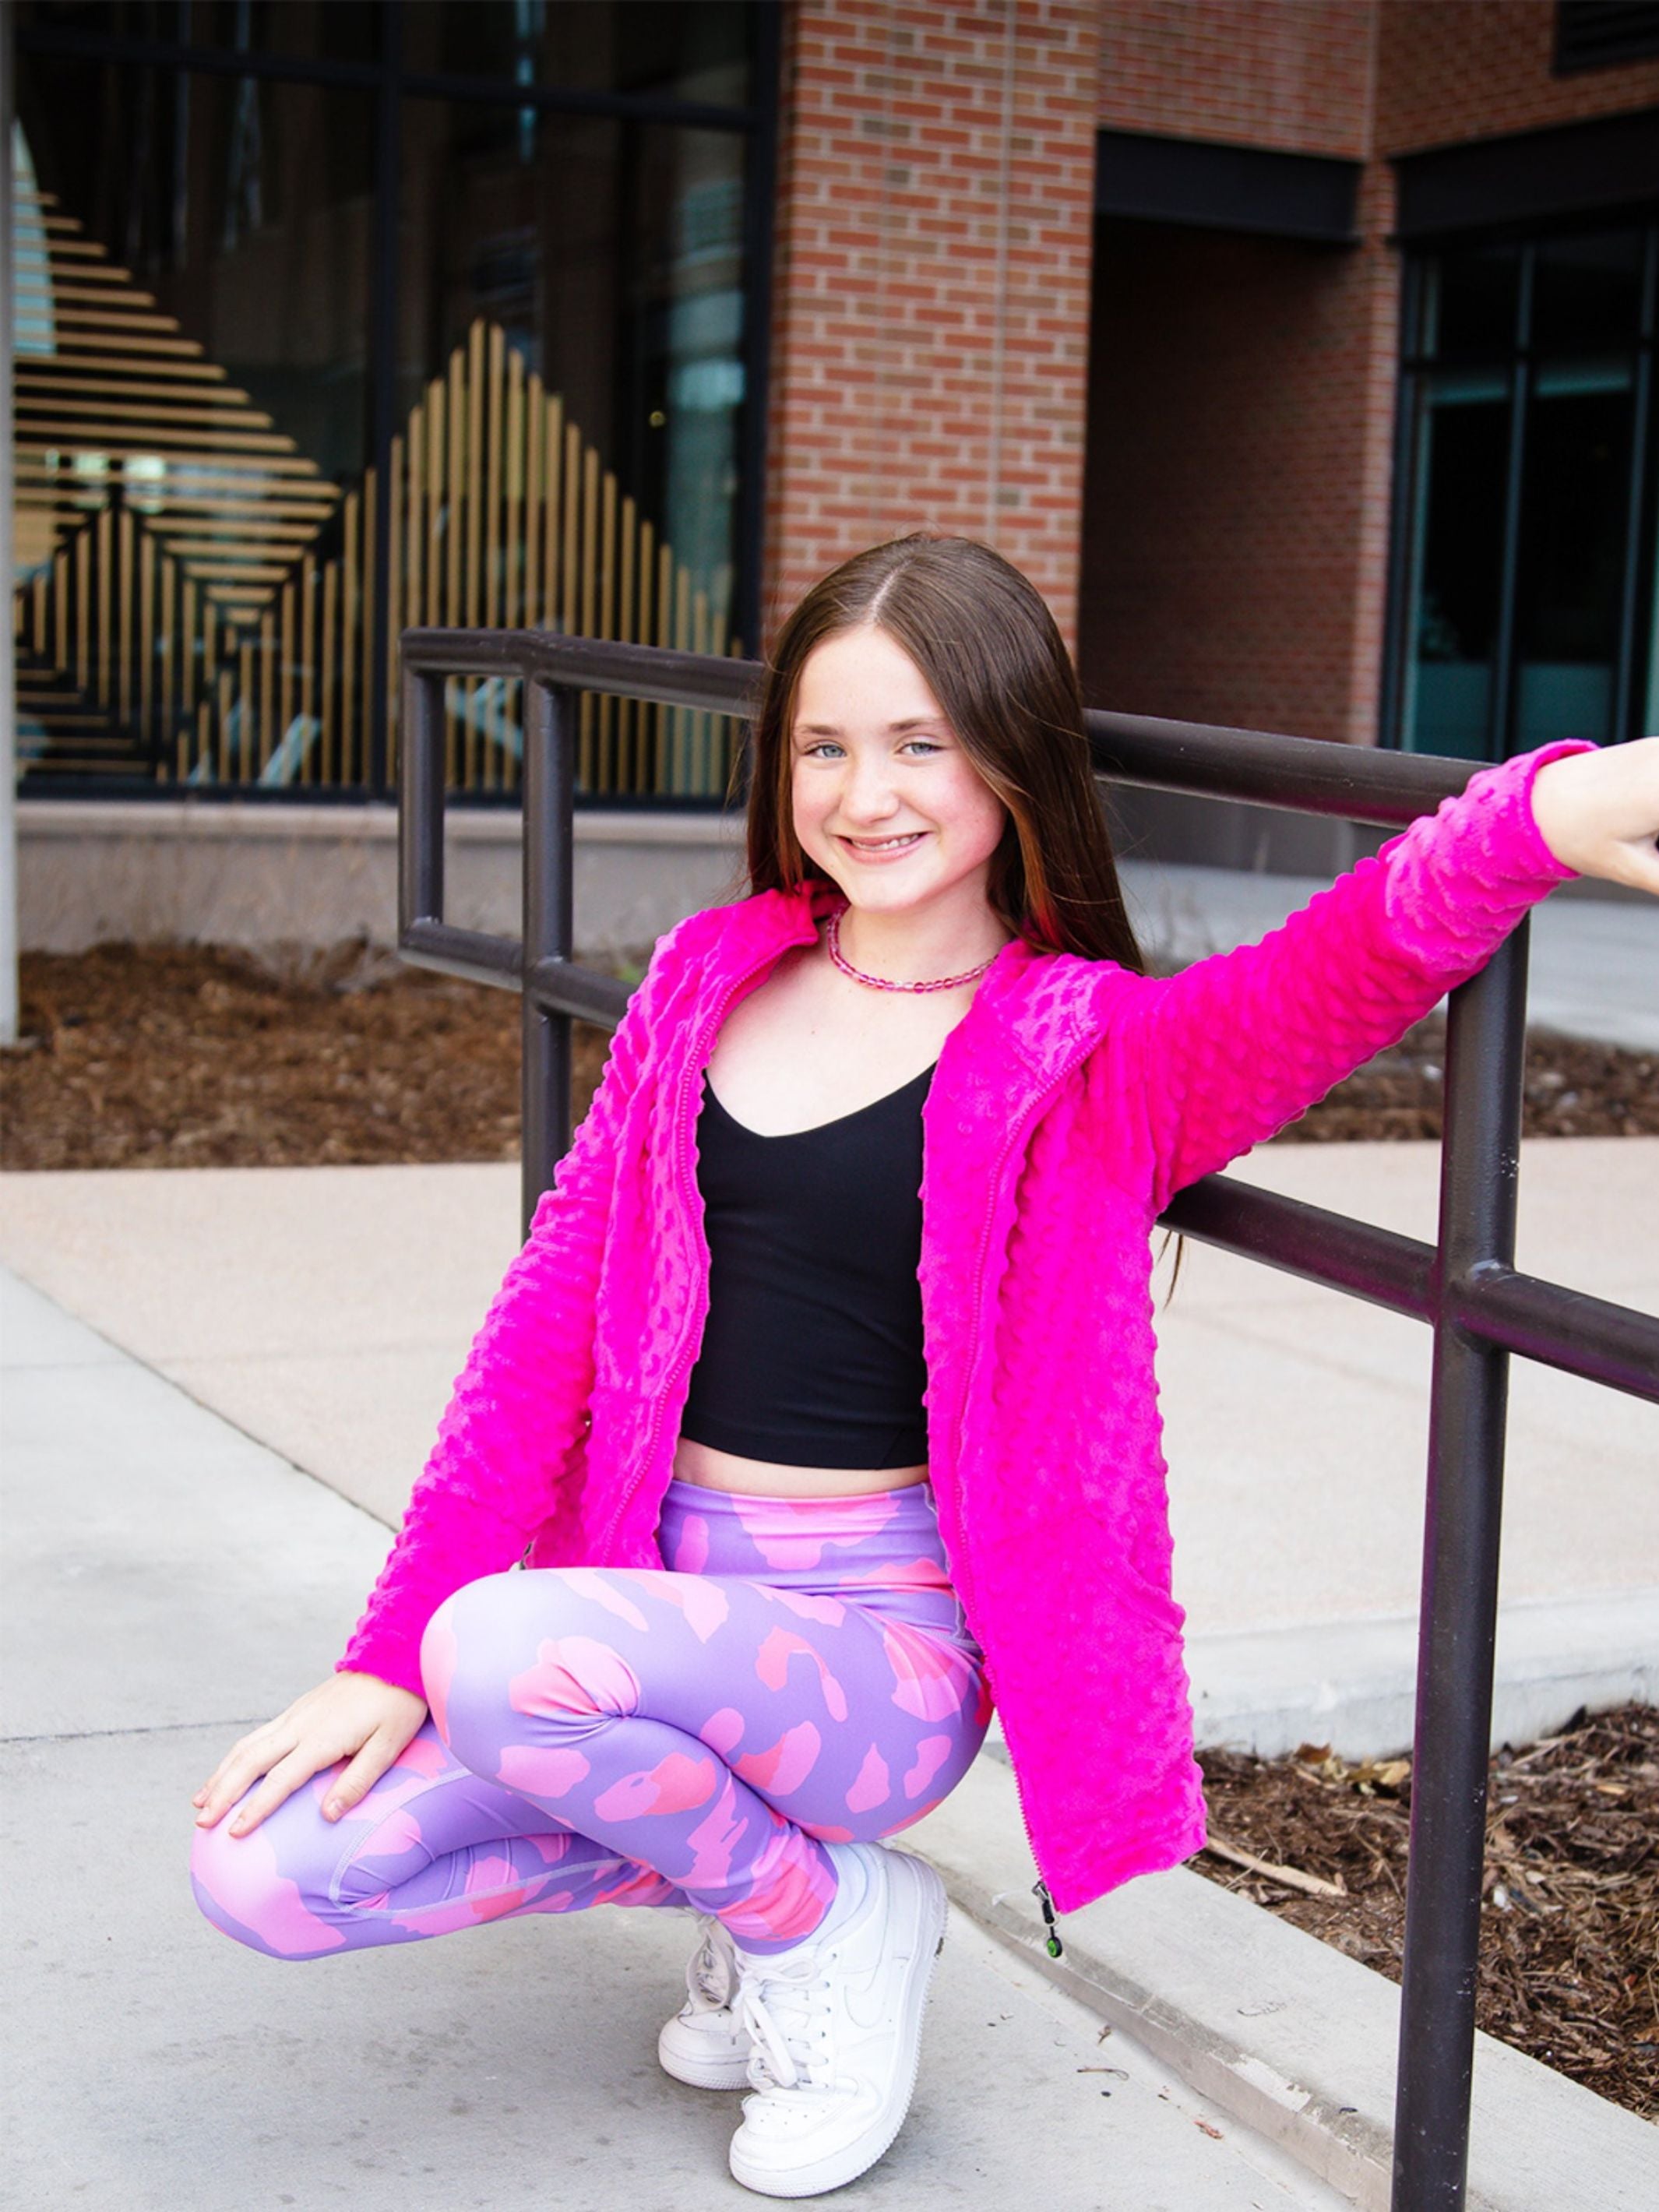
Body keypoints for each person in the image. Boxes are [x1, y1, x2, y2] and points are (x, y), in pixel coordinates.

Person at [189, 534, 1659, 2199]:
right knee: (266, 1868)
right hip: (635, 1625)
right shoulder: (703, 981)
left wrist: (1534, 818)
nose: (864, 791)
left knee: (506, 1654)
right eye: (825, 744)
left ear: (1011, 757)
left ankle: (816, 1919)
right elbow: (540, 1331)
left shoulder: (1084, 1051)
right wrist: (387, 1654)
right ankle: (788, 1896)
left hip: (869, 1670)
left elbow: (1348, 959)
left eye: (919, 742)